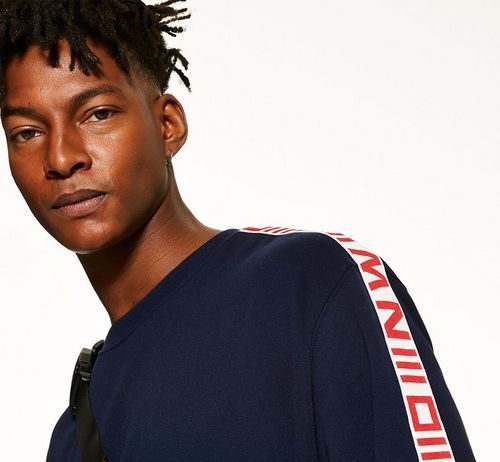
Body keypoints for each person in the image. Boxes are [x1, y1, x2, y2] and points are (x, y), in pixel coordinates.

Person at [0, 0, 475, 461]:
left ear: (168, 125)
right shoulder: (74, 435)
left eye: (98, 114)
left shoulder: (311, 284)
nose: (61, 158)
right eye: (27, 132)